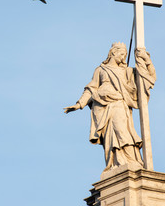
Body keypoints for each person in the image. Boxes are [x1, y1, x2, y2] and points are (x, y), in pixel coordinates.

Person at [64, 42, 156, 172]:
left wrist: (146, 60)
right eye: (122, 54)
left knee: (123, 133)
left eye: (125, 55)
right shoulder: (101, 70)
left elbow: (148, 78)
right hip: (104, 108)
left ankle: (132, 161)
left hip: (120, 105)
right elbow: (91, 89)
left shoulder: (128, 71)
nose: (124, 57)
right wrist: (79, 104)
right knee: (110, 137)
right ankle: (116, 163)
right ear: (113, 53)